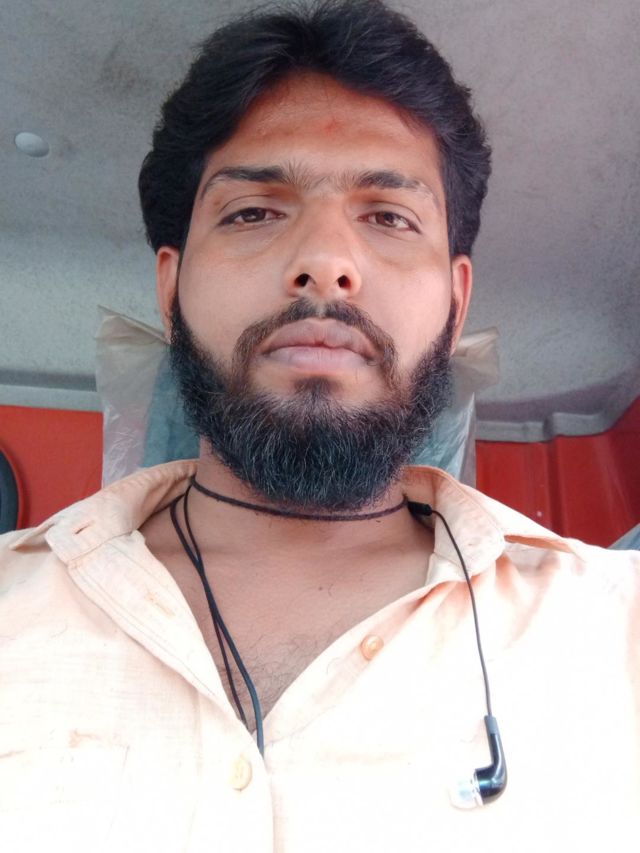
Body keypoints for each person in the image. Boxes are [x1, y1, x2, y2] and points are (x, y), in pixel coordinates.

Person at [1, 1, 638, 850]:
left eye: (389, 216)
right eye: (253, 211)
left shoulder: (616, 629)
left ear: (456, 304)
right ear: (171, 287)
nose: (326, 263)